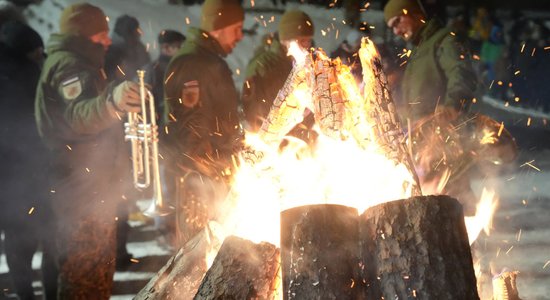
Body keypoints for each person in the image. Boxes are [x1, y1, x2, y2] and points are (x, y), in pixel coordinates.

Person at [34, 3, 144, 298]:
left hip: (88, 189)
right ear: (82, 36)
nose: (108, 41)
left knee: (92, 274)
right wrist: (112, 104)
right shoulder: (68, 65)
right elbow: (78, 114)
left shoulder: (80, 62)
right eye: (100, 35)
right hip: (80, 193)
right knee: (84, 276)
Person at [162, 0, 245, 246]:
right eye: (236, 28)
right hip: (200, 184)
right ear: (219, 26)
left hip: (213, 178)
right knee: (200, 257)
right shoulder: (192, 64)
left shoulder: (208, 60)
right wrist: (214, 171)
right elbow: (188, 129)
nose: (240, 36)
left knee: (215, 256)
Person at [384, 0, 479, 214]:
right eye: (392, 27)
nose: (397, 30)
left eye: (398, 21)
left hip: (445, 139)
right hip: (422, 144)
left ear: (414, 12)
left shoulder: (444, 39)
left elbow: (461, 71)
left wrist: (453, 104)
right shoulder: (419, 51)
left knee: (456, 201)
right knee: (433, 207)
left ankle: (468, 244)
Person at [0, 20, 57, 300]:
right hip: (28, 170)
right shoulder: (25, 75)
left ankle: (25, 294)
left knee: (17, 241)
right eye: (37, 51)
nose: (41, 55)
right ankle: (46, 293)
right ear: (27, 51)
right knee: (48, 236)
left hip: (12, 176)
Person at [242, 9, 315, 138]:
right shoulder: (264, 66)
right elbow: (254, 113)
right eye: (302, 40)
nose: (307, 45)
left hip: (302, 144)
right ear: (287, 40)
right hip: (274, 145)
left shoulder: (307, 64)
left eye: (309, 40)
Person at [144, 29, 185, 121]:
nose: (181, 50)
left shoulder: (177, 67)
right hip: (160, 123)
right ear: (166, 48)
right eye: (178, 46)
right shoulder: (153, 70)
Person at [104, 14, 151, 83]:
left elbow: (147, 68)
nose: (139, 33)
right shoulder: (112, 52)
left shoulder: (139, 48)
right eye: (136, 31)